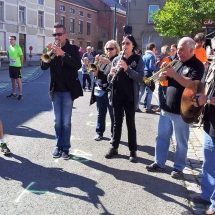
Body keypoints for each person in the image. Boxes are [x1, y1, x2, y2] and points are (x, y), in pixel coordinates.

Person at [146, 37, 204, 178]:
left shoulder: (197, 65)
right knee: (162, 137)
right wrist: (163, 77)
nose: (178, 52)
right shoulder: (177, 62)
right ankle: (159, 163)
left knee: (181, 141)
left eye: (182, 50)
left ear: (191, 50)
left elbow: (192, 85)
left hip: (182, 110)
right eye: (177, 48)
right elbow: (169, 81)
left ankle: (178, 168)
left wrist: (173, 74)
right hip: (167, 107)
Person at [41, 23, 82, 160]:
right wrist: (47, 53)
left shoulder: (72, 49)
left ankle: (66, 148)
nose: (56, 37)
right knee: (57, 121)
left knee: (66, 122)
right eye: (54, 34)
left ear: (65, 35)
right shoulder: (52, 50)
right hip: (55, 91)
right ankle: (58, 146)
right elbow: (43, 67)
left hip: (68, 91)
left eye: (59, 34)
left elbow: (77, 65)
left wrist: (63, 54)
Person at [105, 35, 144, 162]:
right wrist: (110, 74)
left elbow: (140, 78)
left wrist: (127, 69)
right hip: (117, 95)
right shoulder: (116, 59)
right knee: (117, 123)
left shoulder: (138, 59)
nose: (124, 45)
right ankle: (114, 147)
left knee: (130, 123)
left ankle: (133, 151)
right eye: (123, 43)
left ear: (133, 45)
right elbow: (109, 79)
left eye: (127, 43)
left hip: (130, 96)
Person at [191, 37, 215, 215]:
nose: (211, 51)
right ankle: (207, 196)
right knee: (208, 162)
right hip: (210, 121)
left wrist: (207, 99)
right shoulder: (212, 66)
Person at [90, 40, 120, 141]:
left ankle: (113, 135)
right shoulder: (103, 59)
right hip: (100, 89)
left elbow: (118, 72)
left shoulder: (118, 59)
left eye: (111, 49)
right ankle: (99, 133)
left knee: (113, 115)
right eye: (107, 49)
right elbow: (95, 75)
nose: (109, 51)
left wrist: (110, 63)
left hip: (112, 91)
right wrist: (96, 64)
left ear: (116, 49)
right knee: (100, 113)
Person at [138, 43, 160, 113]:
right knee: (149, 91)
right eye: (155, 49)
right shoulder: (151, 56)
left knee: (141, 92)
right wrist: (158, 68)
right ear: (153, 48)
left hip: (142, 74)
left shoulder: (144, 56)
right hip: (149, 74)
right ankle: (148, 108)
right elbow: (151, 67)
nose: (155, 50)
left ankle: (135, 106)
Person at [153, 45, 172, 113]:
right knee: (160, 93)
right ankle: (161, 106)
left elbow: (163, 68)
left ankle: (164, 107)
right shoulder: (164, 58)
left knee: (163, 94)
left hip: (164, 79)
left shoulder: (166, 59)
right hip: (162, 79)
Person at [6, 35, 24, 100]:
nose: (10, 40)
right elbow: (8, 55)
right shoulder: (9, 47)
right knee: (12, 80)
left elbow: (22, 56)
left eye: (12, 39)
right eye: (9, 39)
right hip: (11, 66)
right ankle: (14, 93)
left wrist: (21, 64)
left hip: (17, 66)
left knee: (18, 80)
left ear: (15, 40)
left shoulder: (18, 47)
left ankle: (20, 94)